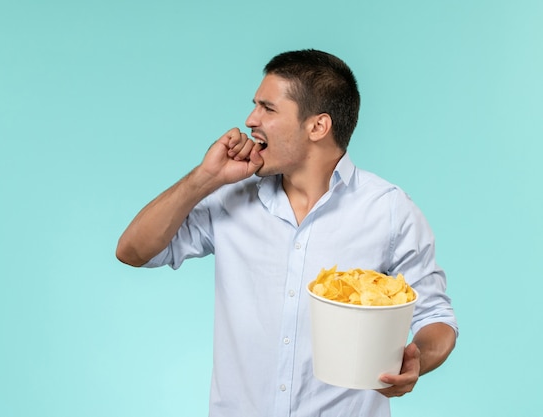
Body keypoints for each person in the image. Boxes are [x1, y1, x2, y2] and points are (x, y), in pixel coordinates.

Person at [116, 49, 458, 417]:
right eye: (255, 106)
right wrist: (205, 179)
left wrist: (416, 360)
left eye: (268, 108)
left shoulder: (389, 210)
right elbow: (133, 251)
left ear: (317, 127)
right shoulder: (230, 198)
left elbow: (436, 318)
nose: (250, 120)